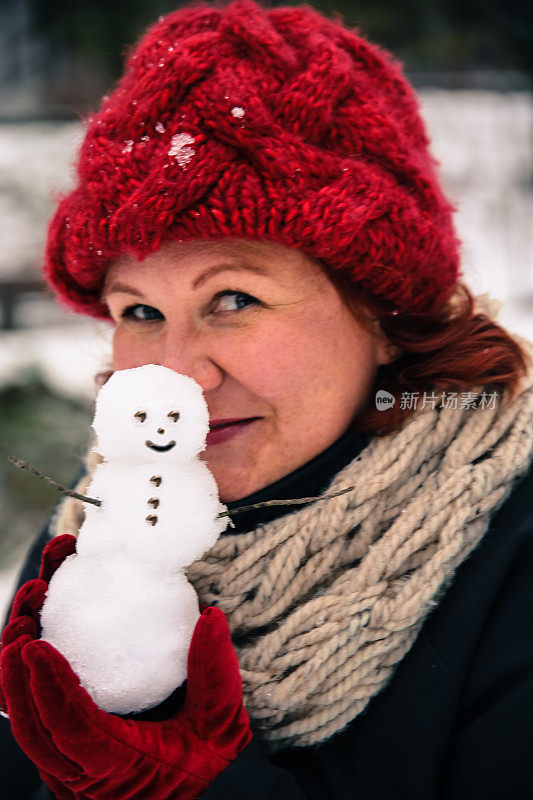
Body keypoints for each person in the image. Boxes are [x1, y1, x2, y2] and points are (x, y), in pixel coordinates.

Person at [1, 0, 533, 797]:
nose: (179, 375)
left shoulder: (512, 562)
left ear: (384, 315)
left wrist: (196, 786)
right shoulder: (100, 522)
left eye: (234, 299)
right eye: (139, 312)